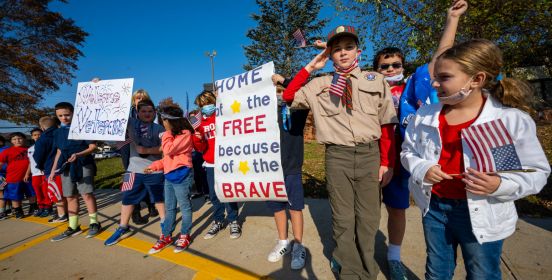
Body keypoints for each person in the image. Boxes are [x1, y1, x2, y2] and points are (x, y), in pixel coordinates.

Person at [401, 39, 551, 279]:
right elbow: (408, 151)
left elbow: (535, 172)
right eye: (435, 76)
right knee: (436, 271)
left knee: (482, 272)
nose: (435, 83)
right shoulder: (426, 114)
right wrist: (422, 167)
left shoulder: (508, 121)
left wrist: (500, 185)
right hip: (436, 208)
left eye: (444, 77)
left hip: (482, 211)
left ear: (476, 79)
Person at [283, 26, 398, 279]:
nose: (343, 53)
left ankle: (367, 271)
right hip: (338, 156)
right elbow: (289, 96)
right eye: (336, 49)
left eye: (348, 47)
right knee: (343, 220)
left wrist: (386, 162)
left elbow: (387, 123)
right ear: (330, 54)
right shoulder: (319, 85)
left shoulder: (375, 80)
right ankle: (349, 271)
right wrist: (313, 65)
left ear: (358, 51)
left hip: (370, 155)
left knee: (368, 220)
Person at [104, 99, 166, 246]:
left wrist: (148, 150)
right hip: (132, 170)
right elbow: (113, 109)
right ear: (137, 113)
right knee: (127, 199)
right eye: (143, 111)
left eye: (150, 111)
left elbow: (166, 147)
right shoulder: (131, 124)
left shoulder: (160, 129)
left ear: (155, 113)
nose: (147, 114)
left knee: (159, 199)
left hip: (154, 171)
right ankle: (123, 227)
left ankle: (165, 225)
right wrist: (98, 86)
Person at [264, 74, 310, 270]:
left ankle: (298, 245)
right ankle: (283, 241)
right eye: (276, 92)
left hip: (291, 168)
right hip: (268, 168)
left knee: (295, 207)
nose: (281, 95)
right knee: (277, 207)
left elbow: (301, 90)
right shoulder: (262, 114)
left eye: (283, 91)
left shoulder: (297, 109)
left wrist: (283, 80)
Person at [145, 100, 195, 254]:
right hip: (169, 176)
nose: (162, 123)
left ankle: (185, 234)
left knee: (185, 208)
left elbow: (169, 150)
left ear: (171, 121)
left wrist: (166, 134)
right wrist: (153, 167)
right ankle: (166, 236)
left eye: (164, 120)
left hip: (182, 176)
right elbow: (167, 160)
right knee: (170, 208)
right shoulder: (169, 136)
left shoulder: (185, 134)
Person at [192, 90, 242, 240]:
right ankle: (219, 220)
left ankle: (233, 220)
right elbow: (200, 149)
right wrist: (198, 139)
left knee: (228, 193)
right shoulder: (199, 123)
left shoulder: (223, 116)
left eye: (209, 103)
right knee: (214, 195)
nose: (206, 107)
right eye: (203, 105)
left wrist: (222, 99)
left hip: (226, 161)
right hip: (210, 164)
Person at [49, 102, 101, 241]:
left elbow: (92, 147)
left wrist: (79, 154)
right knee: (70, 196)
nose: (64, 118)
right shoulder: (57, 132)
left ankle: (94, 223)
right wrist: (53, 171)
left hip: (83, 164)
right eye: (60, 115)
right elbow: (59, 152)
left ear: (73, 113)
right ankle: (73, 226)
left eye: (67, 114)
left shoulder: (83, 127)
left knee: (86, 194)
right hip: (66, 167)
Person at [33, 115, 67, 223]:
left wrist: (41, 166)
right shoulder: (62, 134)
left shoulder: (42, 139)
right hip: (65, 166)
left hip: (51, 168)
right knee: (64, 192)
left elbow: (37, 156)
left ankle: (62, 215)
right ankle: (64, 212)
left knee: (56, 193)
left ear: (42, 127)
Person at [0, 132, 35, 219]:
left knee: (31, 194)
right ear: (11, 141)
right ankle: (18, 211)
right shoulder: (7, 151)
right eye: (14, 139)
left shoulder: (29, 149)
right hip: (13, 178)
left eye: (19, 138)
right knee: (15, 196)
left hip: (29, 177)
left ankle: (33, 208)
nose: (17, 140)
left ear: (24, 139)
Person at [25, 128, 50, 217]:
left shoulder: (46, 146)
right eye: (35, 135)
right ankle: (41, 207)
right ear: (32, 137)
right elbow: (30, 162)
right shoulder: (30, 149)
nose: (37, 136)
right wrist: (27, 173)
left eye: (39, 134)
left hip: (44, 172)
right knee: (38, 192)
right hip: (35, 174)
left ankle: (47, 207)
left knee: (45, 191)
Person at [188, 109, 209, 201]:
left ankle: (207, 192)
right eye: (191, 118)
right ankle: (199, 191)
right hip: (193, 155)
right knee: (196, 174)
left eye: (194, 117)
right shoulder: (189, 130)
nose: (193, 120)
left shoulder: (202, 128)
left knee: (203, 174)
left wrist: (201, 137)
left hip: (202, 153)